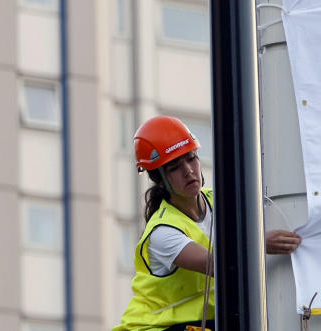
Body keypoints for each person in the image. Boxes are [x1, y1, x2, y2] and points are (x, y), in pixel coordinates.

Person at [114, 116, 301, 331]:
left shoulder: (219, 201)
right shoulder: (162, 232)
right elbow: (219, 266)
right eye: (175, 167)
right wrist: (260, 241)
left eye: (191, 158)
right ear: (160, 179)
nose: (188, 170)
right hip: (153, 328)